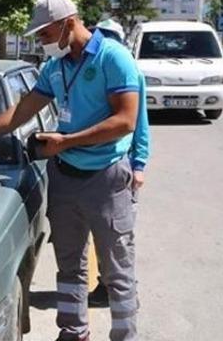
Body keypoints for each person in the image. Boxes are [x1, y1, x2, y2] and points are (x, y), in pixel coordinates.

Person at [0, 0, 146, 341]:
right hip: (65, 176)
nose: (41, 40)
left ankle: (124, 335)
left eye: (44, 33)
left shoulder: (114, 59)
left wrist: (66, 141)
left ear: (69, 23)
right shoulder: (56, 67)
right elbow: (22, 110)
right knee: (69, 265)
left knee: (118, 270)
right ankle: (73, 332)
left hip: (107, 178)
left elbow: (126, 121)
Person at [88, 19, 150, 309]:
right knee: (102, 234)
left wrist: (139, 165)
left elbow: (138, 124)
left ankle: (127, 291)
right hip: (94, 164)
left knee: (119, 236)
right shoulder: (90, 69)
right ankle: (105, 284)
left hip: (118, 162)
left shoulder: (128, 70)